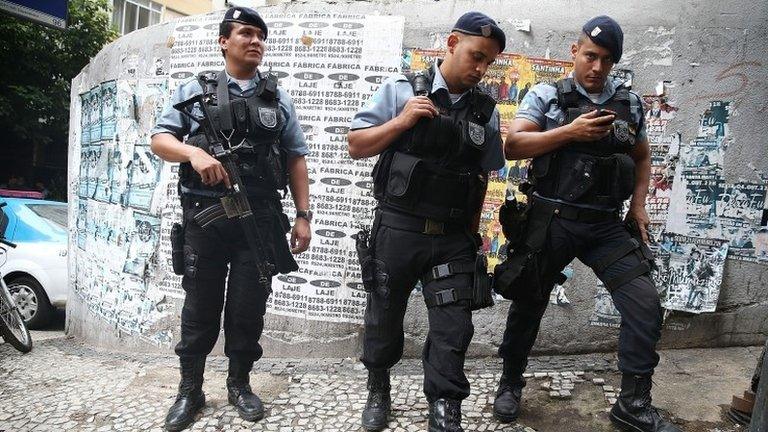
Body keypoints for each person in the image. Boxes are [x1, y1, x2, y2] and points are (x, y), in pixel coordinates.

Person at [494, 16, 680, 432]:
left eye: (607, 60)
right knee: (529, 301)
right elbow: (514, 144)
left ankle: (633, 403)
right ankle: (509, 382)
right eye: (591, 56)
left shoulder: (629, 103)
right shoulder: (547, 94)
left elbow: (642, 157)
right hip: (552, 218)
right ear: (574, 52)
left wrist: (638, 205)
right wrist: (570, 131)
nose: (597, 67)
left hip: (604, 225)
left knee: (644, 302)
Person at [149, 7, 312, 431]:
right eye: (245, 33)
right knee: (200, 305)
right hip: (205, 219)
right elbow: (160, 140)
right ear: (224, 41)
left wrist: (303, 216)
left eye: (260, 35)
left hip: (259, 220)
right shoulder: (195, 89)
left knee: (247, 306)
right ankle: (190, 390)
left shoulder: (278, 98)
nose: (255, 40)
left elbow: (296, 159)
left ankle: (239, 384)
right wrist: (194, 152)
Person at [347, 11, 506, 432]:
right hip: (398, 230)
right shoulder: (401, 90)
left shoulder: (485, 112)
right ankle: (379, 387)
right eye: (476, 55)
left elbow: (483, 177)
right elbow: (356, 145)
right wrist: (401, 122)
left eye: (489, 62)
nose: (481, 68)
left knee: (454, 327)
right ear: (452, 43)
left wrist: (472, 241)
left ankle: (445, 407)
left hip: (453, 236)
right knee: (384, 316)